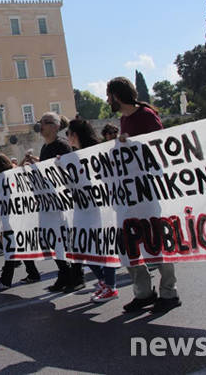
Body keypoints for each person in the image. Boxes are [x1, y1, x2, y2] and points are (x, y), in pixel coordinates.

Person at [107, 76, 181, 313]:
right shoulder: (123, 120)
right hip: (130, 195)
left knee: (155, 242)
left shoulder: (146, 116)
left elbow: (158, 148)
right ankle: (143, 293)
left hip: (148, 192)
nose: (107, 100)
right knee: (130, 245)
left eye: (109, 95)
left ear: (117, 96)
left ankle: (169, 292)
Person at [22, 112, 82, 293]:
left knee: (68, 239)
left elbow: (68, 169)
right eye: (41, 122)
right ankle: (64, 273)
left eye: (47, 123)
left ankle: (76, 276)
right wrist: (35, 163)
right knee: (53, 237)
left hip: (65, 201)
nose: (42, 126)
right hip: (50, 202)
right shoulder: (45, 147)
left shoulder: (62, 145)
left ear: (56, 127)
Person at [67, 119, 119, 302]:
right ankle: (104, 282)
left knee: (104, 247)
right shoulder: (74, 155)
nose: (67, 138)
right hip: (85, 207)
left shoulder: (96, 152)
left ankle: (110, 285)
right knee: (83, 246)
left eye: (68, 133)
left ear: (75, 134)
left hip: (101, 207)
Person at [0, 153, 41, 289]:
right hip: (22, 216)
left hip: (12, 218)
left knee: (11, 248)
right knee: (20, 245)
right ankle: (33, 273)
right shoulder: (15, 173)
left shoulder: (2, 178)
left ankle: (6, 280)